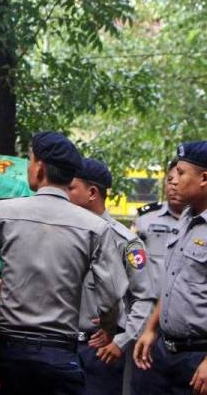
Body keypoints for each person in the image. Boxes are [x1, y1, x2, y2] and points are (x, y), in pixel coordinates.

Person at [0, 131, 128, 395]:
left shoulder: (0, 212)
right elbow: (112, 296)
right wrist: (108, 329)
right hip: (61, 356)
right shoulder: (95, 228)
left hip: (9, 354)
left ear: (40, 167)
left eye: (30, 160)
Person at [67, 158, 157, 395]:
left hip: (99, 351)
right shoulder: (63, 235)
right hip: (59, 348)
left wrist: (123, 340)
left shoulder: (126, 243)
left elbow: (145, 297)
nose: (65, 193)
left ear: (92, 192)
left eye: (71, 187)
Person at [134, 141, 207, 395]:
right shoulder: (187, 219)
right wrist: (151, 329)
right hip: (165, 351)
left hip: (198, 356)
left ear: (204, 178)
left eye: (181, 173)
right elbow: (173, 283)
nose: (173, 180)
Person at [129, 158, 184, 394]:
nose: (173, 185)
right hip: (148, 317)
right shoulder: (146, 219)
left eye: (179, 178)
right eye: (169, 179)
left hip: (186, 323)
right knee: (145, 382)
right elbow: (131, 263)